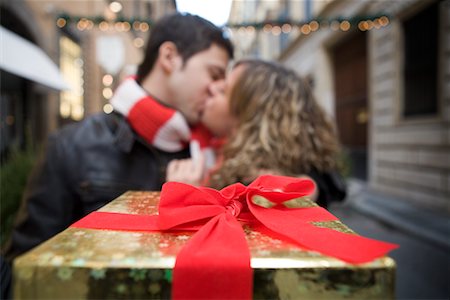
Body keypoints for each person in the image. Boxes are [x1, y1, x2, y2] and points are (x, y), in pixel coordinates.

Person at [2, 13, 233, 265]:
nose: (217, 89)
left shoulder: (212, 150)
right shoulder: (73, 145)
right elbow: (26, 268)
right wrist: (166, 209)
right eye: (214, 74)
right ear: (169, 57)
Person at [167, 59, 346, 207]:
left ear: (248, 116)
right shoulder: (220, 149)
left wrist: (189, 200)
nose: (212, 87)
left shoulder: (258, 183)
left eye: (224, 90)